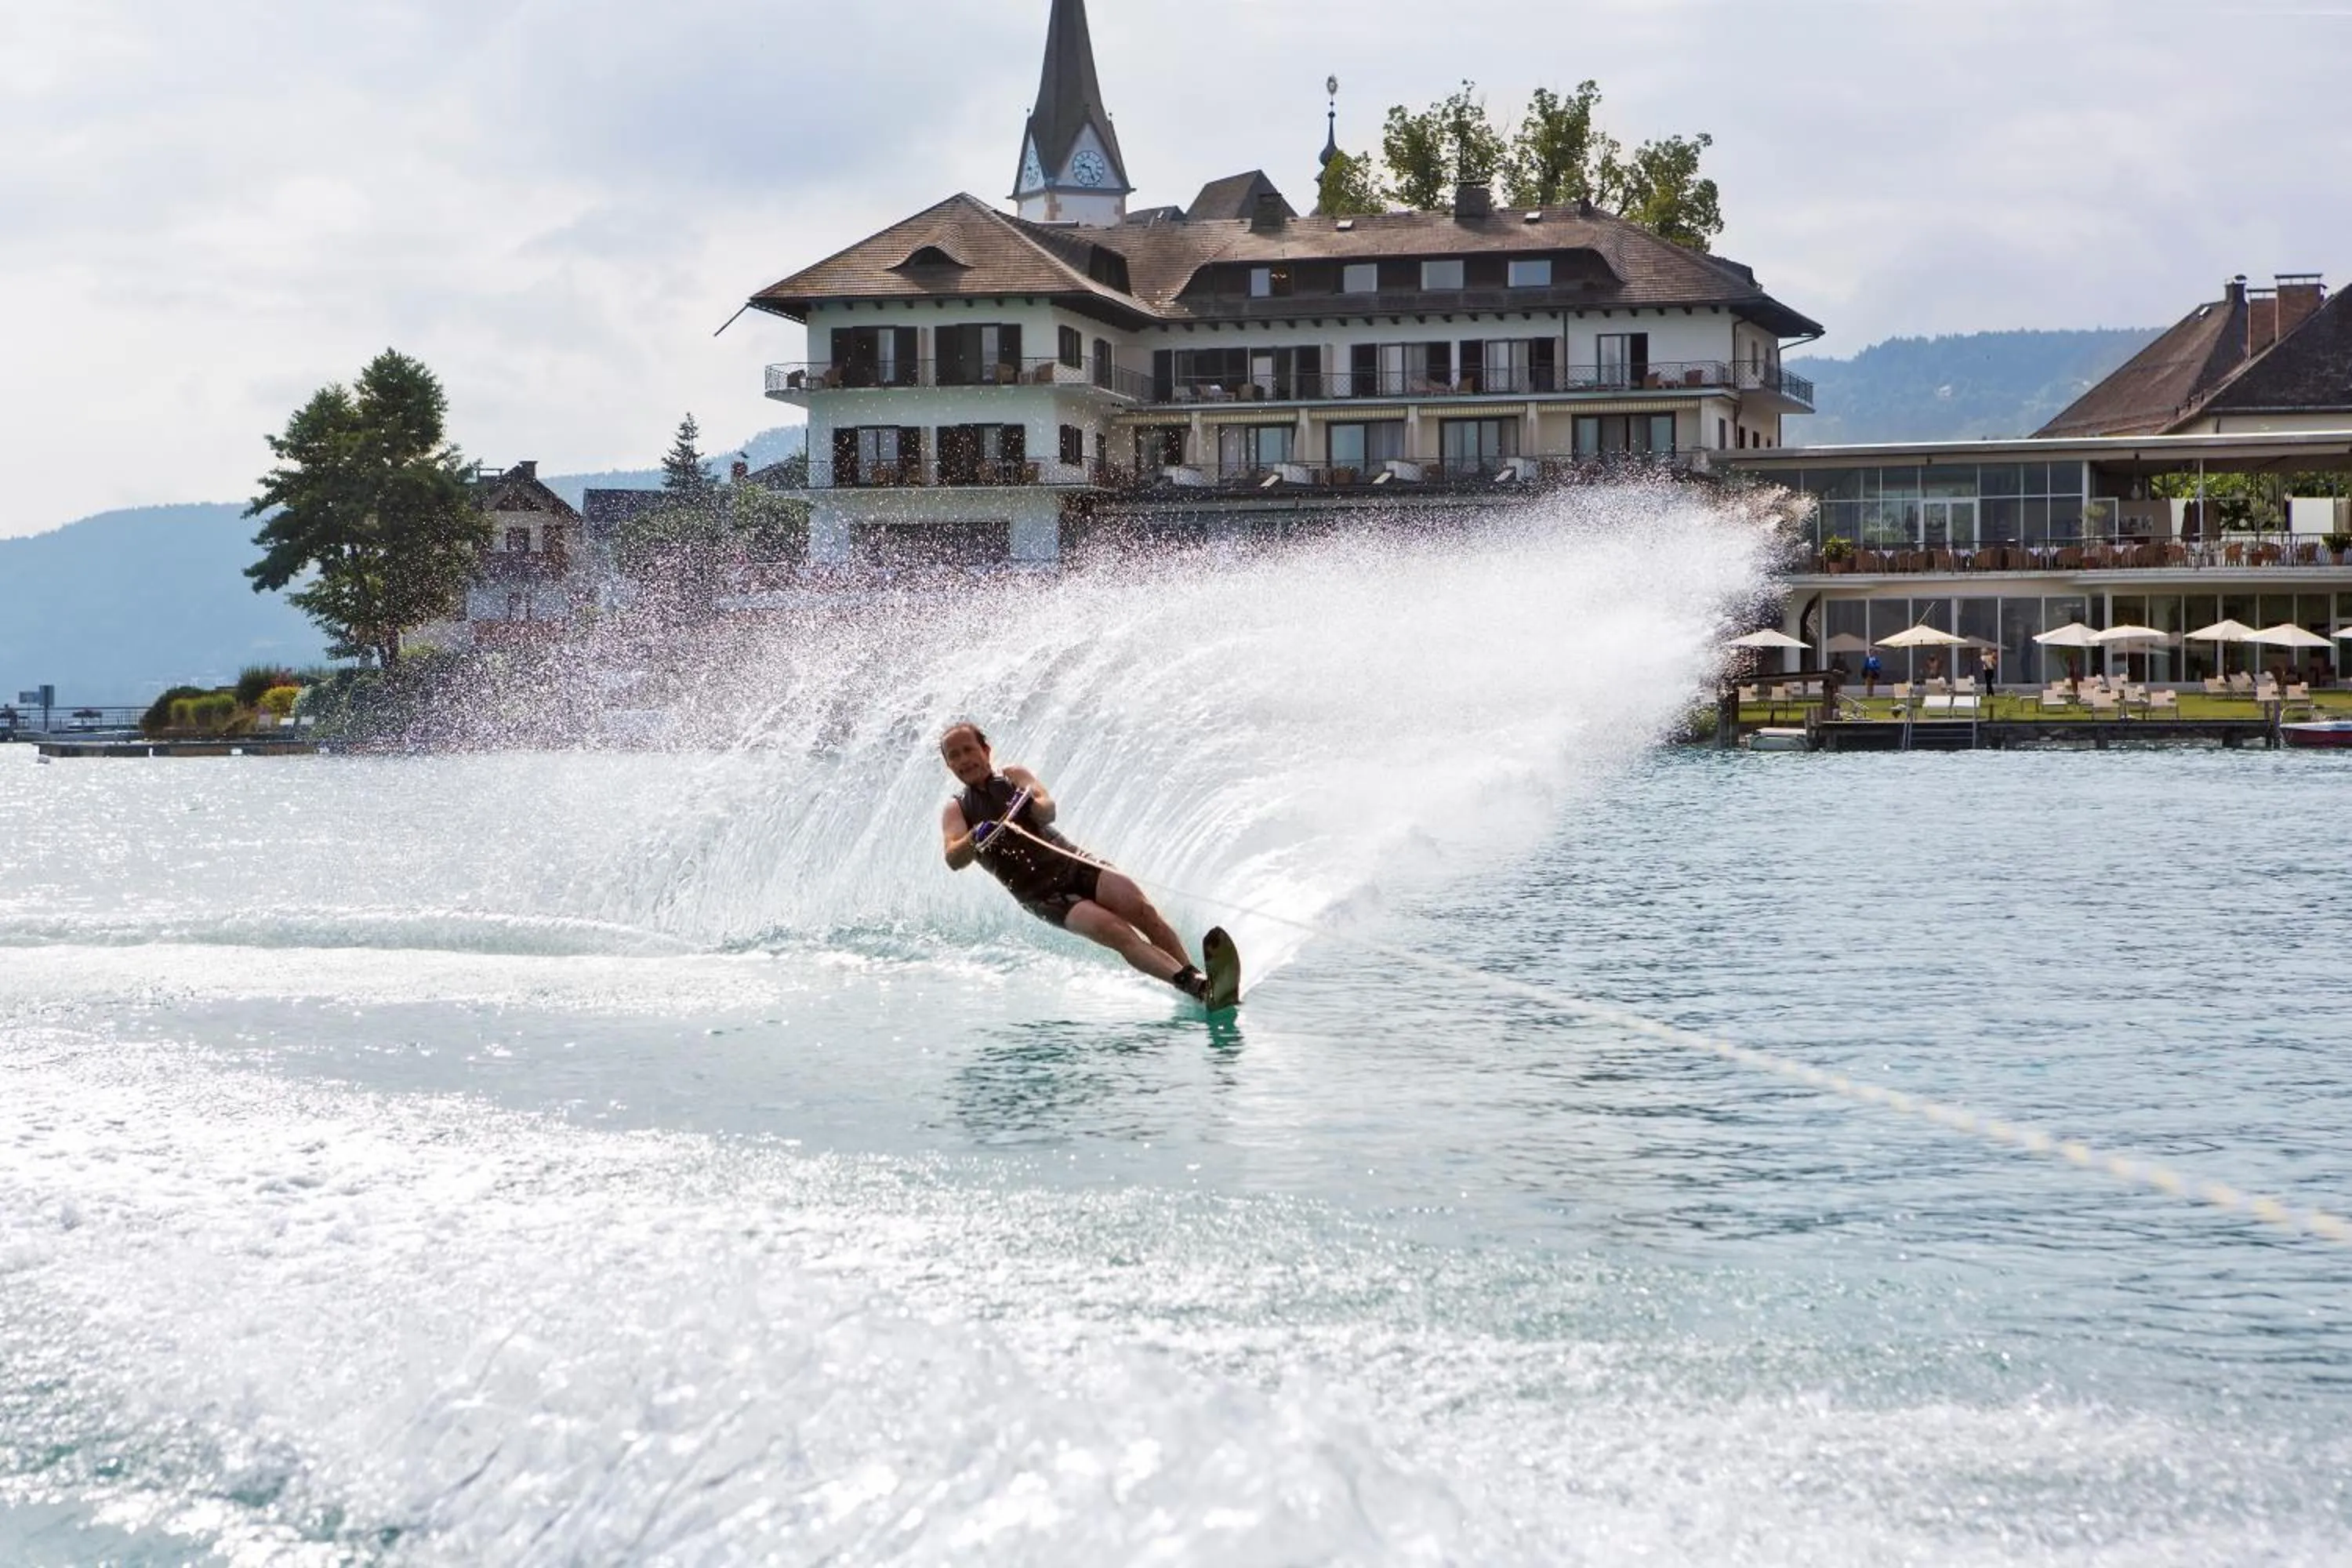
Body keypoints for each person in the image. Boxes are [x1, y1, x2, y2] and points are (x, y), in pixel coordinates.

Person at [937, 723, 1210, 1000]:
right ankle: (1190, 985)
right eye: (954, 756)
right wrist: (974, 837)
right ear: (949, 766)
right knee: (1118, 933)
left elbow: (1048, 810)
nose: (963, 760)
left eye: (969, 750)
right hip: (1044, 896)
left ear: (985, 750)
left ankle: (1199, 979)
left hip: (1075, 864)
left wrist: (1030, 801)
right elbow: (953, 858)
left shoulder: (1014, 776)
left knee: (1143, 911)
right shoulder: (957, 809)